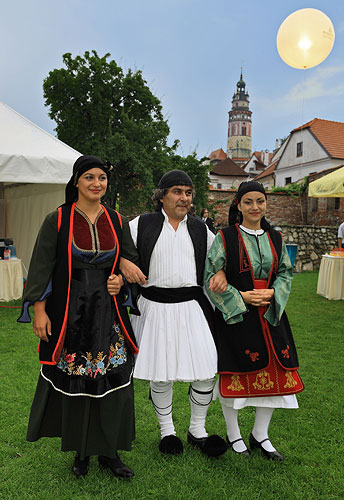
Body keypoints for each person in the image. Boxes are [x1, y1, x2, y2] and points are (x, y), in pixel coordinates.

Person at [18, 155, 140, 479]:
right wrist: (40, 312)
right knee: (79, 380)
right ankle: (82, 451)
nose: (96, 183)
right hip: (71, 313)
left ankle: (110, 452)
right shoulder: (57, 220)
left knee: (111, 379)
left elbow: (130, 261)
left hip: (109, 314)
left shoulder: (117, 220)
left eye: (102, 178)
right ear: (76, 182)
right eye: (89, 177)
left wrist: (120, 279)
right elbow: (41, 268)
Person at [111, 170, 227, 458]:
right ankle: (167, 431)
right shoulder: (140, 225)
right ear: (161, 195)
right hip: (154, 307)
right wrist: (125, 262)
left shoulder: (202, 229)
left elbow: (218, 259)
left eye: (188, 193)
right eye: (177, 191)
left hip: (192, 306)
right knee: (161, 374)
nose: (183, 198)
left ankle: (197, 429)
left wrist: (222, 270)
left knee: (205, 371)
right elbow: (117, 250)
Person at [205, 180, 304, 461]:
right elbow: (212, 277)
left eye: (260, 201)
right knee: (235, 375)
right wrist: (243, 298)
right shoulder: (225, 237)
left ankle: (260, 434)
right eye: (248, 201)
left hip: (271, 316)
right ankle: (233, 433)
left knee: (274, 378)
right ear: (238, 204)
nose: (255, 207)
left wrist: (273, 293)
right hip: (237, 317)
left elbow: (285, 272)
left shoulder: (276, 237)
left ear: (265, 204)